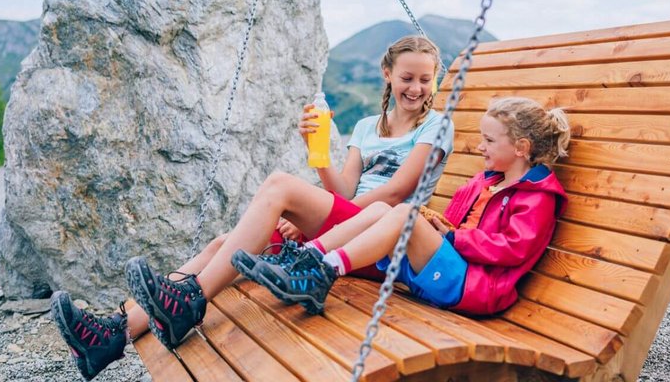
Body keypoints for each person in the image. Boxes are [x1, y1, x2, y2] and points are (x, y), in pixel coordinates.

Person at [50, 35, 454, 380]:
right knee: (224, 245)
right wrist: (317, 159)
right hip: (346, 226)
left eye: (424, 79)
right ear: (388, 75)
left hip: (380, 243)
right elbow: (345, 191)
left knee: (280, 186)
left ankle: (188, 303)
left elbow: (396, 193)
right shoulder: (368, 127)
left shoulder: (437, 125)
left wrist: (310, 213)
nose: (416, 88)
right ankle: (111, 336)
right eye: (407, 78)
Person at [233, 96, 570, 318]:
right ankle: (309, 260)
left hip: (475, 287)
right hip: (452, 270)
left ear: (522, 148)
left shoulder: (536, 196)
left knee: (404, 213)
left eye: (490, 141)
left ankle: (325, 272)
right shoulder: (484, 182)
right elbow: (452, 226)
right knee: (383, 210)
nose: (480, 146)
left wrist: (451, 238)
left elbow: (513, 248)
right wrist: (438, 225)